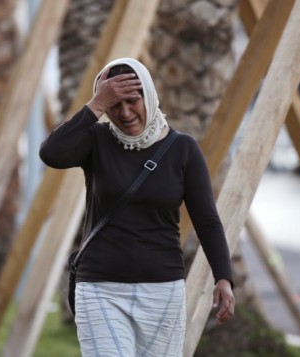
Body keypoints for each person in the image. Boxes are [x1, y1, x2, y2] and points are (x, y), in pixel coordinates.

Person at [39, 57, 235, 357]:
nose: (125, 112)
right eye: (114, 105)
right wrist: (96, 104)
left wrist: (223, 276)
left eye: (132, 100)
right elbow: (52, 153)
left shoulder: (183, 149)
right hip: (100, 289)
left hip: (162, 291)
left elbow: (207, 220)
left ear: (149, 95)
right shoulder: (96, 139)